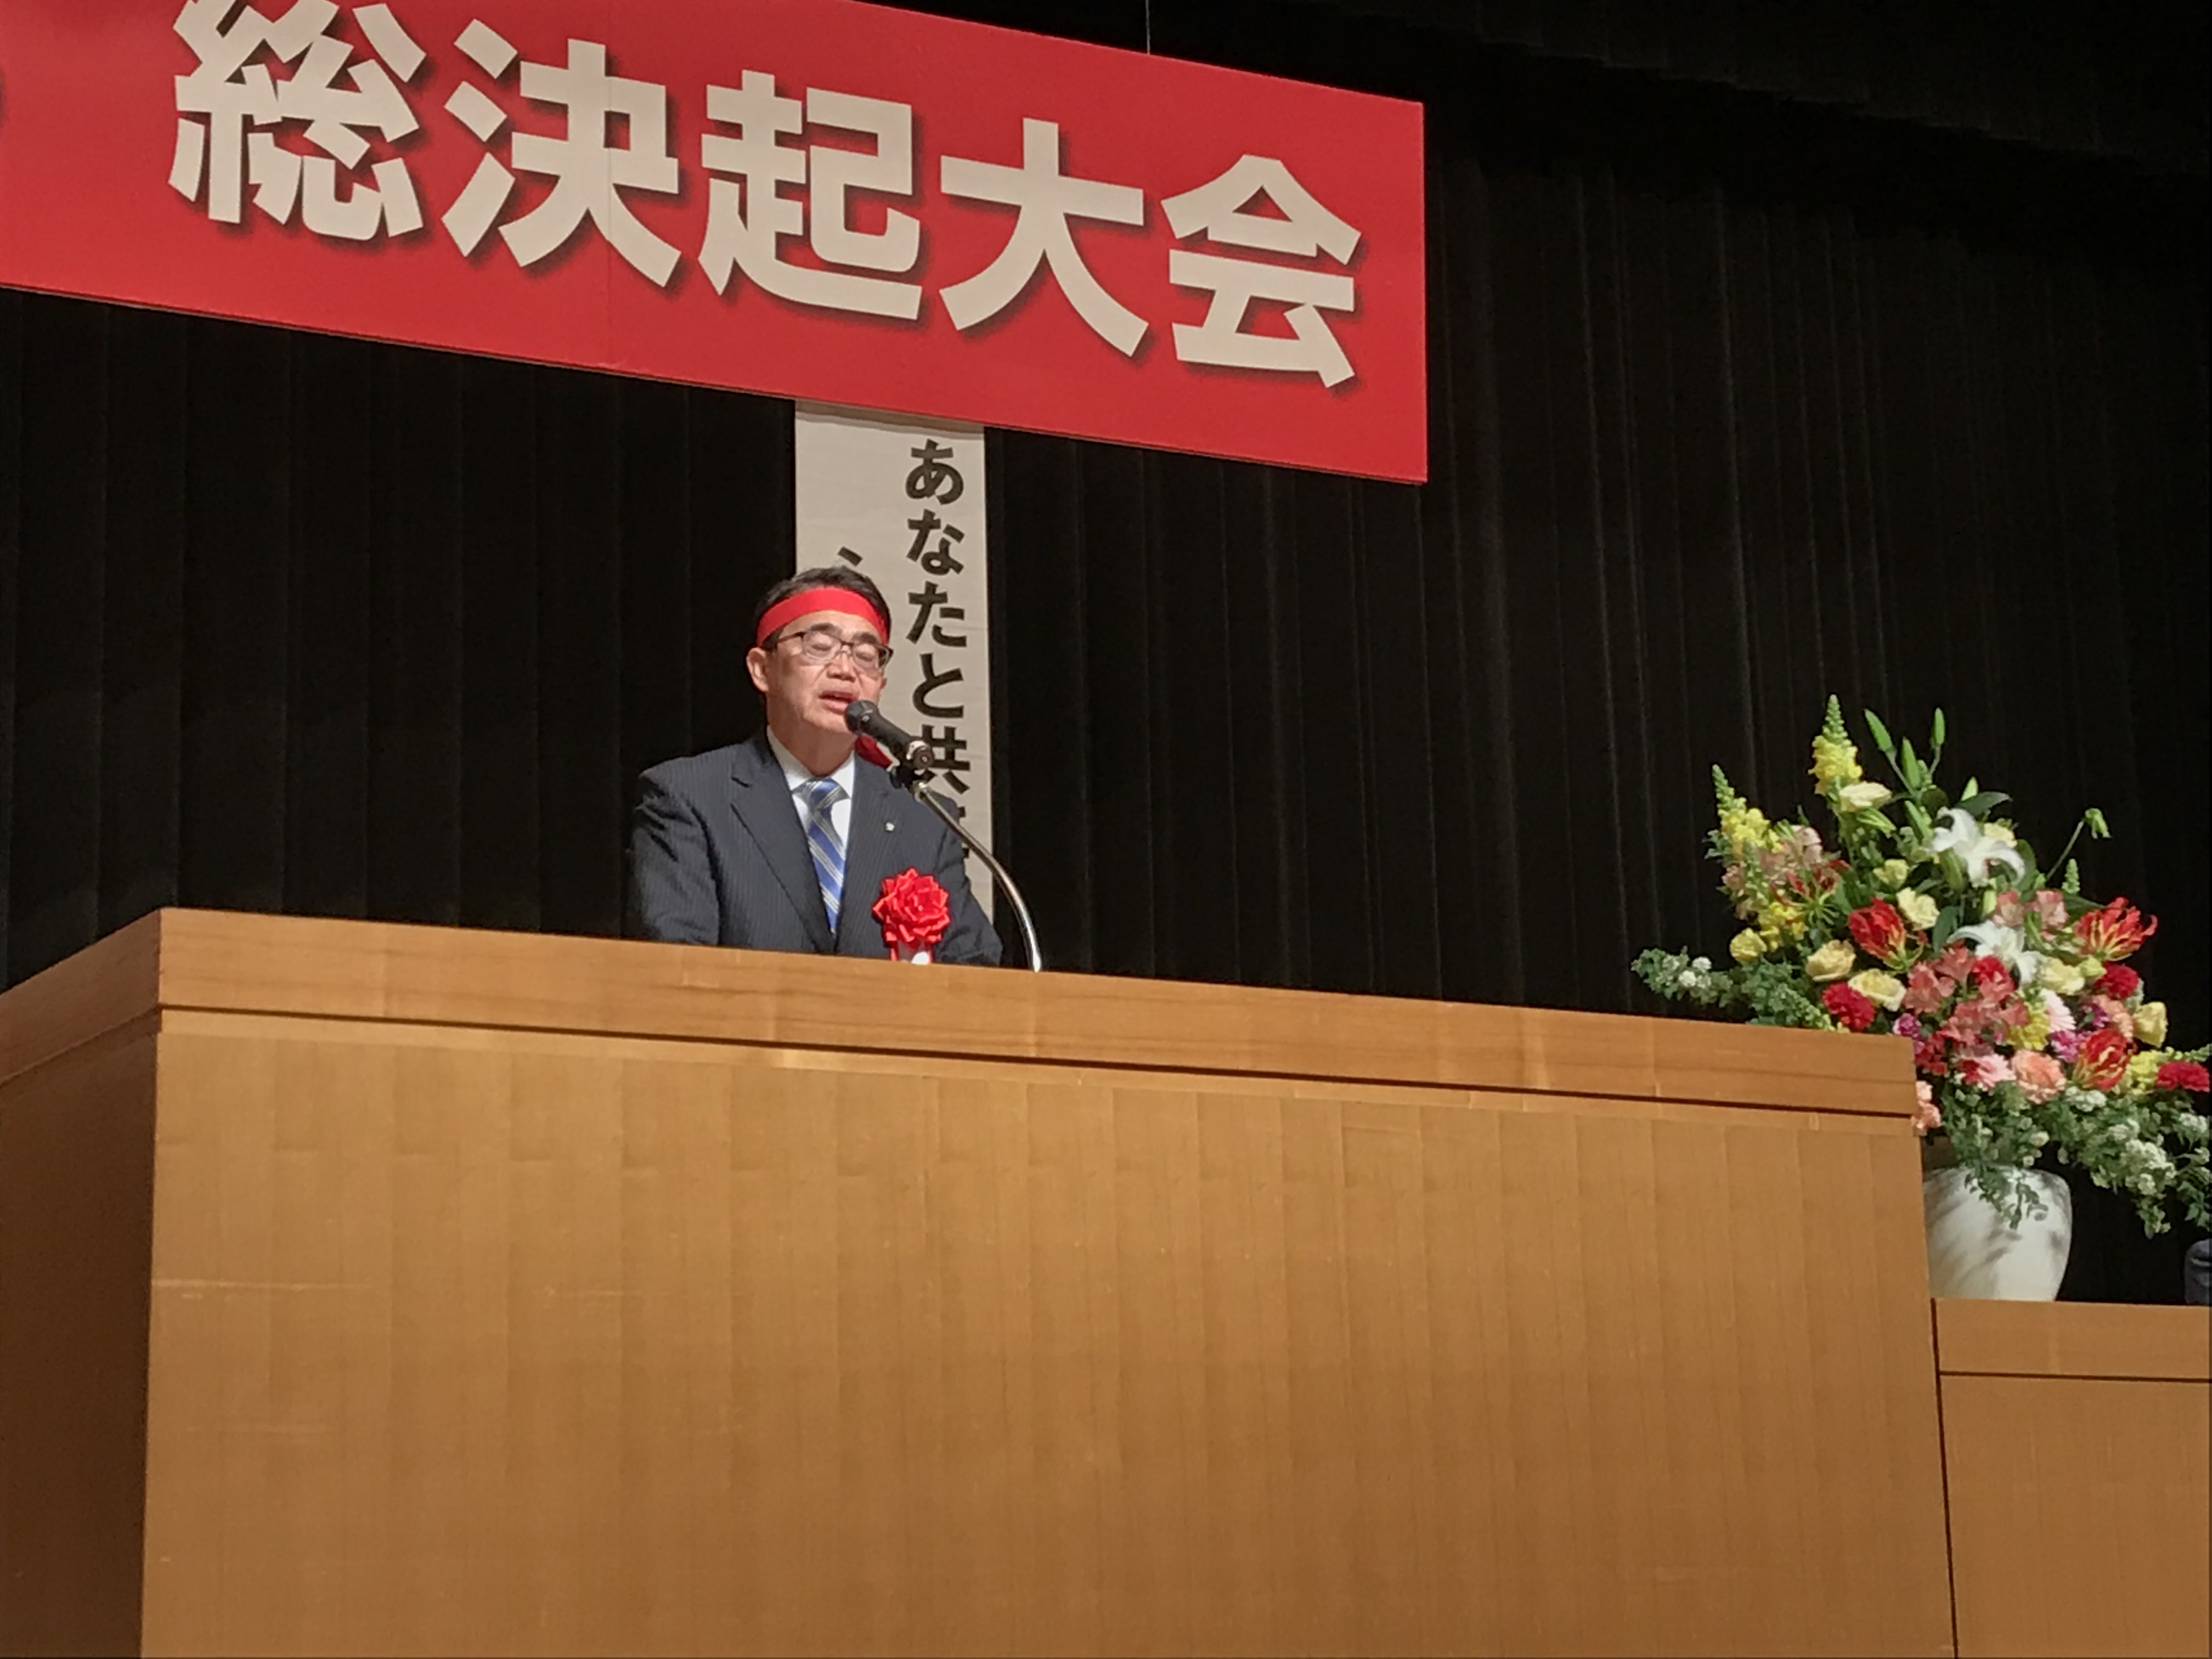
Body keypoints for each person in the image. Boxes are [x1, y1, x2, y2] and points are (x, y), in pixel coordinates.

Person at [625, 566, 1001, 964]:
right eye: (819, 646)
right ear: (762, 669)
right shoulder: (690, 797)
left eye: (866, 655)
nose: (845, 670)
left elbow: (974, 969)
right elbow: (675, 965)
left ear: (880, 685)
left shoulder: (923, 817)